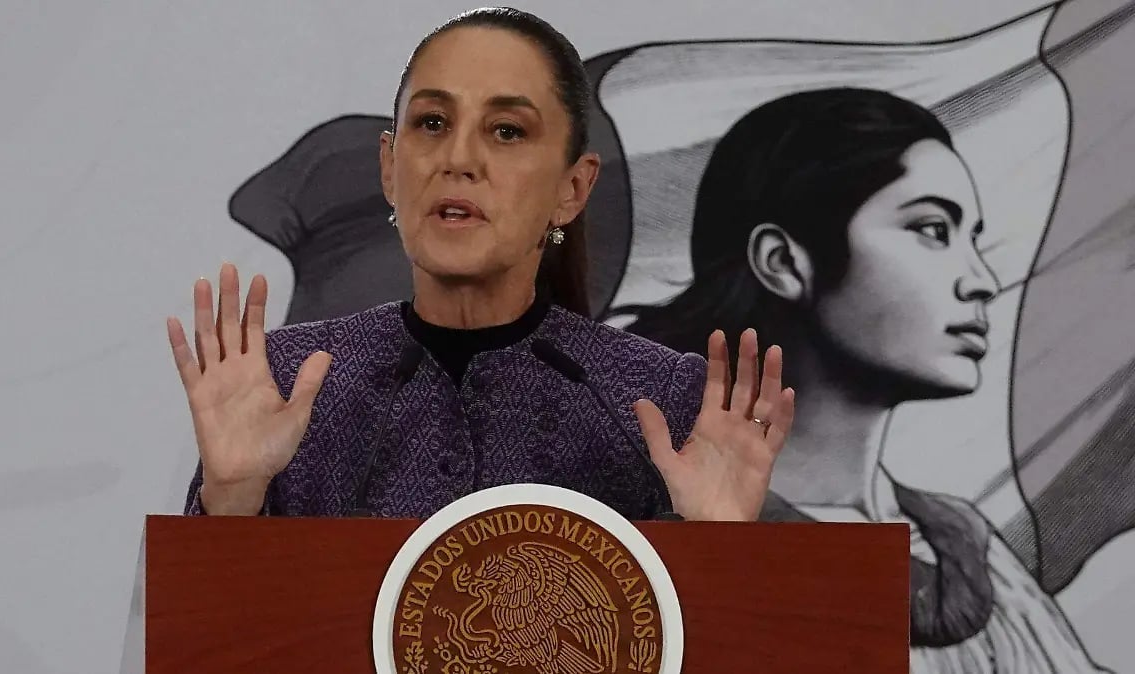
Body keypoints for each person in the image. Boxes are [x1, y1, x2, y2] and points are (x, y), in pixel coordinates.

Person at [166, 7, 795, 523]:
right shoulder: (288, 383)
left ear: (572, 189)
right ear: (389, 168)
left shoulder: (661, 401)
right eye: (432, 122)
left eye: (507, 131)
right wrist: (233, 497)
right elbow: (203, 626)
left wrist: (721, 548)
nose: (459, 158)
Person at [620, 87, 1109, 672]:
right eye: (933, 229)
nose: (981, 280)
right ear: (783, 262)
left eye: (972, 238)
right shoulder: (650, 535)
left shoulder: (965, 543)